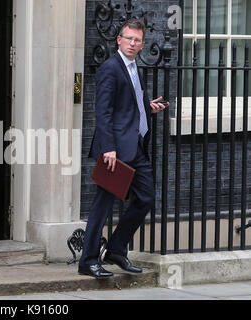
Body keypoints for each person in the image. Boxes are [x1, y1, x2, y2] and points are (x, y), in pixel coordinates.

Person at [78, 19, 168, 278]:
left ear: (142, 44)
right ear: (119, 40)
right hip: (115, 150)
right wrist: (108, 148)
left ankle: (116, 249)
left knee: (146, 198)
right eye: (128, 38)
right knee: (103, 205)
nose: (132, 43)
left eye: (137, 40)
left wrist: (147, 108)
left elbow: (126, 105)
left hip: (135, 147)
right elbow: (103, 111)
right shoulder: (110, 68)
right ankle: (88, 260)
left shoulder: (134, 69)